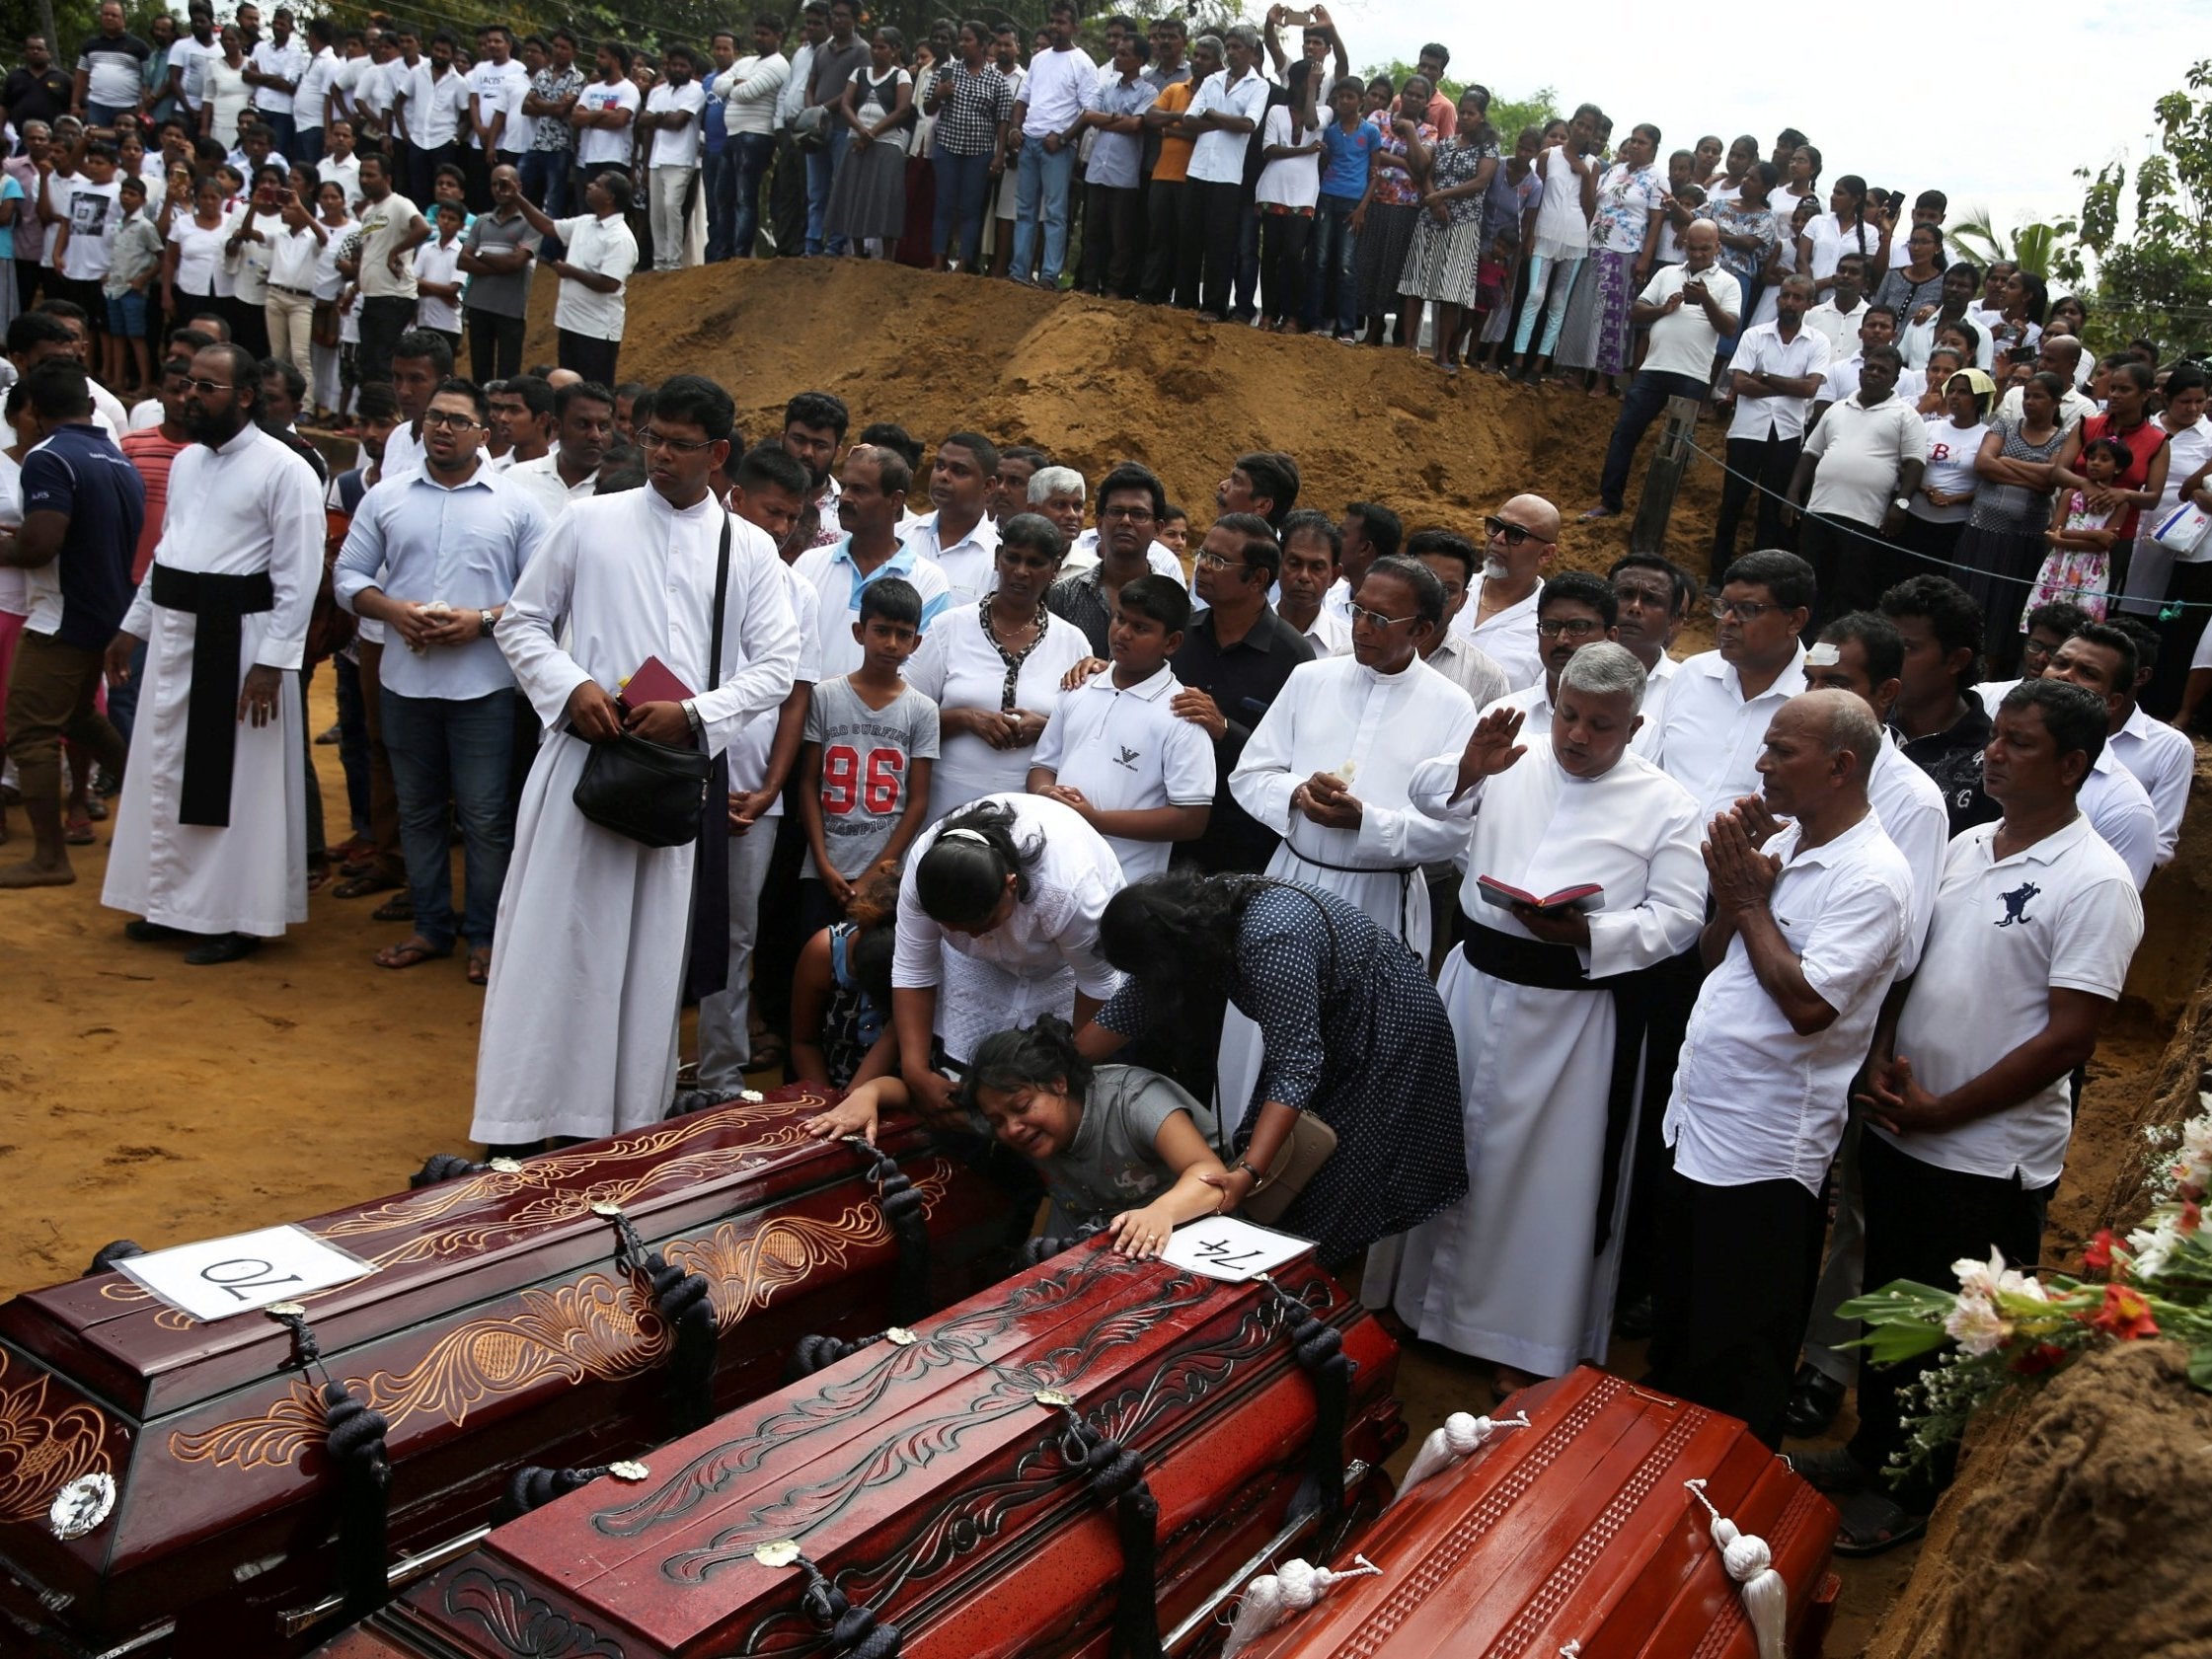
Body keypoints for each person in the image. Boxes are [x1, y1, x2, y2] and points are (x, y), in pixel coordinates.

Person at [1813, 678, 2143, 1551]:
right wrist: (1883, 1055)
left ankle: (1916, 1488)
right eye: (1995, 735)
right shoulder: (1965, 848)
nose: (1993, 751)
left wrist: (1943, 1110)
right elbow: (1912, 971)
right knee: (1891, 1302)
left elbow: (2066, 1037)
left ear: (2073, 765)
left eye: (2021, 743)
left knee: (1957, 1328)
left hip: (1986, 1153)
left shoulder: (2095, 881)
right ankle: (1873, 1448)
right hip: (1904, 1124)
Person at [469, 374, 799, 1154]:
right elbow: (521, 623)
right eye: (652, 437)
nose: (659, 454)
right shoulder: (589, 521)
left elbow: (778, 666)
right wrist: (570, 684)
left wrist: (692, 714)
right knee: (552, 937)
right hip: (580, 765)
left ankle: (617, 1125)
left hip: (665, 779)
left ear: (718, 454)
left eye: (680, 444)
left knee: (645, 957)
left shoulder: (746, 547)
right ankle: (523, 1118)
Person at [1385, 642, 1704, 1382]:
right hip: (1474, 985)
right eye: (1567, 714)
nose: (1576, 736)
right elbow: (1430, 796)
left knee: (1542, 1182)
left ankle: (1519, 1343)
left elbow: (1678, 917)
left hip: (1573, 1018)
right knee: (1442, 1141)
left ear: (1633, 725)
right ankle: (1420, 1304)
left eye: (1600, 724)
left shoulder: (1666, 803)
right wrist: (1469, 768)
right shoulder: (1510, 756)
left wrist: (1592, 931)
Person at [1650, 689, 1915, 1448]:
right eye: (1764, 746)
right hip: (1697, 1119)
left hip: (1764, 1151)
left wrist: (1748, 902)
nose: (1761, 763)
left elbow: (1807, 1007)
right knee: (1680, 1330)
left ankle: (1728, 1511)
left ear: (1839, 765)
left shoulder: (1872, 876)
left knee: (1735, 1355)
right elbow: (1712, 961)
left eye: (1781, 750)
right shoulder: (1788, 844)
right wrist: (1737, 903)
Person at [1079, 867, 1464, 1264]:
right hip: (1324, 1033)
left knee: (1335, 1191)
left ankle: (1327, 1302)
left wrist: (1247, 1172)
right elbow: (1133, 1005)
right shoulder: (1190, 917)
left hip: (1388, 1033)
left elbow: (1296, 1068)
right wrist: (1064, 1065)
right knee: (1287, 1184)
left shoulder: (1270, 937)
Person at [100, 341, 321, 963]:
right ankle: (170, 905)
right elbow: (170, 553)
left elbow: (299, 577)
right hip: (175, 636)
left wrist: (273, 663)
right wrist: (132, 627)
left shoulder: (286, 469)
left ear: (245, 396)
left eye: (205, 387)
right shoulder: (189, 463)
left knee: (234, 785)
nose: (188, 396)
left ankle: (235, 916)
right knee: (165, 773)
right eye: (186, 384)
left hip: (239, 643)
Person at [333, 375, 546, 983]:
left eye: (457, 419)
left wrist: (479, 623)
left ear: (484, 433)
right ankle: (430, 926)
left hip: (484, 691)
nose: (443, 428)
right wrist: (393, 610)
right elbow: (348, 578)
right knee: (419, 812)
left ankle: (483, 935)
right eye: (434, 418)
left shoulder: (516, 505)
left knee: (482, 817)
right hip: (405, 683)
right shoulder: (387, 497)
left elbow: (541, 601)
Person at [814, 1012, 1227, 1256]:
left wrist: (1161, 1213)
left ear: (1059, 1083)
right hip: (1080, 1253)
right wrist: (870, 1091)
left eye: (1022, 1107)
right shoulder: (1006, 1118)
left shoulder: (1134, 1100)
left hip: (1187, 1240)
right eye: (996, 1121)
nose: (1011, 1128)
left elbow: (1210, 1175)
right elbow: (922, 1100)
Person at [891, 792, 1126, 1115]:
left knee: (1048, 1096)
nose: (973, 936)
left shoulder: (1067, 889)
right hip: (974, 969)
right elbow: (913, 969)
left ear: (1011, 885)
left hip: (1066, 968)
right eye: (954, 929)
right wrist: (915, 1071)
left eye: (983, 924)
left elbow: (1098, 985)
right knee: (965, 1078)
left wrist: (1071, 1074)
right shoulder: (925, 873)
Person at [0, 360, 140, 889]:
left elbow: (39, 546)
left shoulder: (49, 457)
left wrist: (4, 547)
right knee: (79, 717)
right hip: (106, 612)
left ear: (32, 411)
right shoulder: (114, 455)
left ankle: (48, 859)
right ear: (88, 404)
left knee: (31, 731)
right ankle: (151, 801)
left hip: (63, 616)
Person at [1030, 571, 1214, 881]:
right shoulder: (1079, 685)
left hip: (1124, 882)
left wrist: (1096, 819)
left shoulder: (1181, 714)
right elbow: (1042, 765)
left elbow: (1191, 818)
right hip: (1054, 867)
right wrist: (1048, 794)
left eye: (1140, 628)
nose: (1122, 633)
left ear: (1171, 642)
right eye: (1120, 619)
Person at [908, 511, 1090, 822]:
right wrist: (966, 719)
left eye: (1035, 563)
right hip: (944, 803)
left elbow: (1088, 736)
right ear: (997, 558)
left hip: (1030, 812)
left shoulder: (1072, 643)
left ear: (1055, 570)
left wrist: (1045, 729)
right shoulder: (948, 628)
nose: (1020, 571)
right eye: (1013, 558)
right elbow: (905, 718)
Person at [794, 569, 937, 938]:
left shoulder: (921, 710)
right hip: (823, 867)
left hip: (885, 872)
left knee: (870, 962)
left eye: (903, 635)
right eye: (881, 630)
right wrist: (823, 863)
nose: (891, 643)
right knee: (815, 954)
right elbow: (808, 783)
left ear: (916, 642)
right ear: (860, 632)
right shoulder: (824, 697)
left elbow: (918, 801)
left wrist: (878, 870)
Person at [1171, 513, 1314, 873]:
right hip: (1171, 826)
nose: (1201, 566)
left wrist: (1224, 729)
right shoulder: (1182, 636)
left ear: (1259, 578)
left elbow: (1297, 762)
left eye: (1218, 561)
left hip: (1245, 843)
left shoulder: (1294, 657)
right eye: (1203, 553)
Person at [1585, 219, 1741, 523]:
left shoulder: (1728, 283)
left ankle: (1659, 511)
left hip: (1692, 375)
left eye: (1704, 248)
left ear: (1717, 247)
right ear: (1685, 245)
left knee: (1676, 447)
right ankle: (1610, 502)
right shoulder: (1667, 273)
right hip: (1654, 369)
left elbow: (1729, 328)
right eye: (1693, 248)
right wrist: (1664, 309)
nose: (1697, 254)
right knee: (1624, 434)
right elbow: (1637, 311)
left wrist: (1706, 299)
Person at [1786, 342, 1928, 620]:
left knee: (1851, 590)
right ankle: (1805, 642)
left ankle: (1843, 651)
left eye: (1882, 370)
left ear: (1895, 379)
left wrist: (1900, 505)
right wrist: (1792, 494)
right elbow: (1810, 454)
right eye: (1869, 368)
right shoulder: (1837, 408)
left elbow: (1915, 464)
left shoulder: (1906, 415)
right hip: (1820, 510)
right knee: (1811, 583)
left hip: (1865, 518)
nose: (1873, 373)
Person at [792, 442, 952, 679]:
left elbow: (919, 674)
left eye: (860, 490)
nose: (845, 498)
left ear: (895, 501)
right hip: (806, 713)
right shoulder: (809, 565)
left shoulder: (928, 581)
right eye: (844, 486)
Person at [1711, 273, 1829, 583]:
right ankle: (1717, 576)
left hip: (1788, 435)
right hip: (1747, 431)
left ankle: (1759, 580)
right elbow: (1739, 383)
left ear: (1809, 304)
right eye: (1785, 296)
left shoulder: (1818, 341)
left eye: (1797, 297)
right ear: (1778, 299)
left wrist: (1764, 378)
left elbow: (1809, 389)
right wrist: (1787, 385)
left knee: (1771, 511)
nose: (1790, 302)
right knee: (1731, 505)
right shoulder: (1754, 335)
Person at [2037, 626, 2164, 889]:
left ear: (2113, 702)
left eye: (2088, 673)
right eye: (2060, 663)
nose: (2065, 676)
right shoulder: (1990, 757)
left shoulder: (2126, 807)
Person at [1878, 573, 2000, 836]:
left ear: (1956, 660)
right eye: (1886, 643)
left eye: (1907, 647)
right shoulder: (1863, 723)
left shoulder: (1991, 760)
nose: (1887, 658)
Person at [1453, 494, 1555, 691]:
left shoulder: (1551, 626)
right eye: (1495, 526)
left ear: (1545, 554)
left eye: (1516, 534)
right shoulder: (1449, 591)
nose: (1498, 538)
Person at [1901, 368, 1995, 576]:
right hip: (1915, 518)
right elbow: (1906, 467)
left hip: (1954, 526)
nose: (1954, 396)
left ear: (1978, 399)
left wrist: (1953, 499)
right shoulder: (1930, 427)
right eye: (1951, 390)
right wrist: (1924, 489)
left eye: (1963, 392)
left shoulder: (1987, 436)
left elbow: (1989, 485)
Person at [458, 165, 538, 384]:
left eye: (504, 183)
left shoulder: (531, 222)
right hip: (478, 306)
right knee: (479, 374)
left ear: (518, 186)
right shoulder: (482, 221)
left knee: (507, 376)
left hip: (510, 310)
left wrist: (481, 255)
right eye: (494, 184)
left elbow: (516, 263)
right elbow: (463, 260)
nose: (498, 189)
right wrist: (500, 265)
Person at [638, 42, 706, 271]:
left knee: (671, 208)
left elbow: (678, 123)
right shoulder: (658, 91)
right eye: (674, 65)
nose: (677, 69)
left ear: (691, 68)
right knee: (656, 213)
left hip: (682, 160)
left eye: (683, 66)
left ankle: (674, 262)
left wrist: (657, 118)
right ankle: (659, 263)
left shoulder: (696, 90)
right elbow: (642, 121)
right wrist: (663, 117)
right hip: (657, 159)